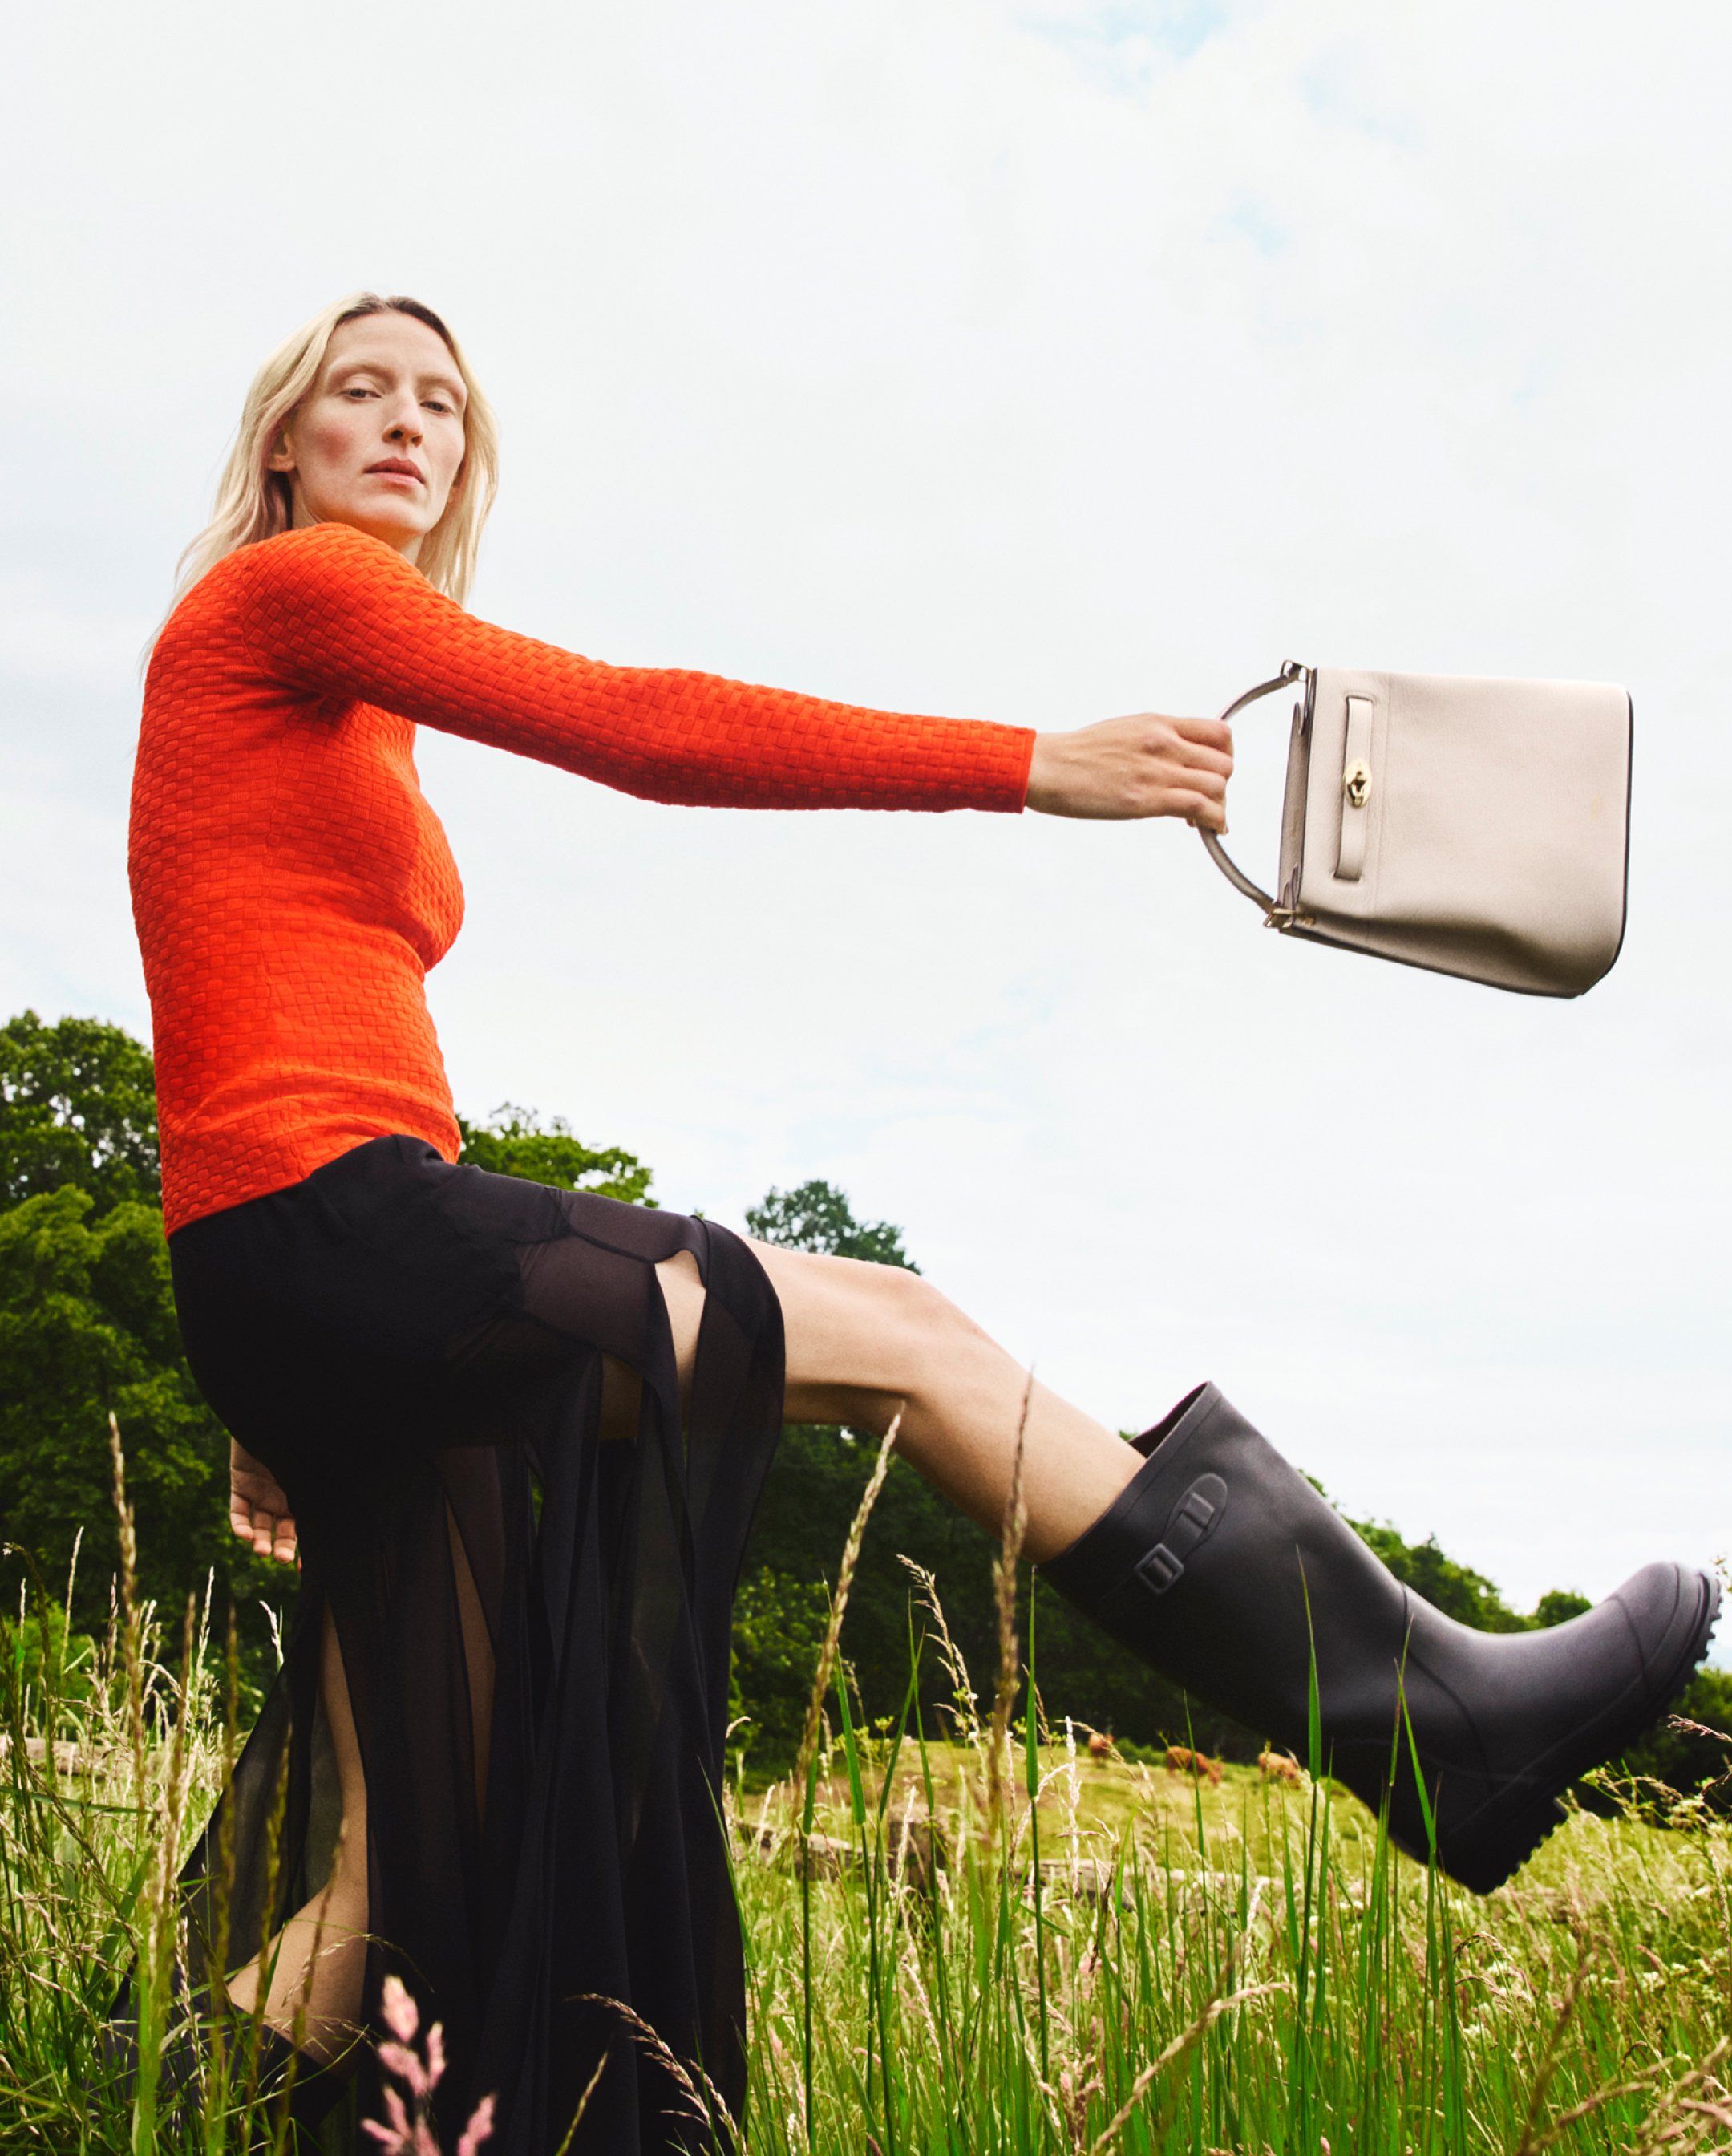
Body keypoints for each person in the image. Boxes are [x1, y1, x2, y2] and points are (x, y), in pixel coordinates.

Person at [123, 291, 1718, 2154]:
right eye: (359, 392)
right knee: (909, 1336)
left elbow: (247, 1010)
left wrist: (281, 1377)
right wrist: (1029, 761)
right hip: (335, 1238)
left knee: (389, 1874)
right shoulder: (292, 598)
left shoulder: (333, 704)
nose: (407, 424)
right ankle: (1428, 1721)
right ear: (284, 442)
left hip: (318, 1255)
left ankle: (142, 2119)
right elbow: (643, 729)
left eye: (444, 405)